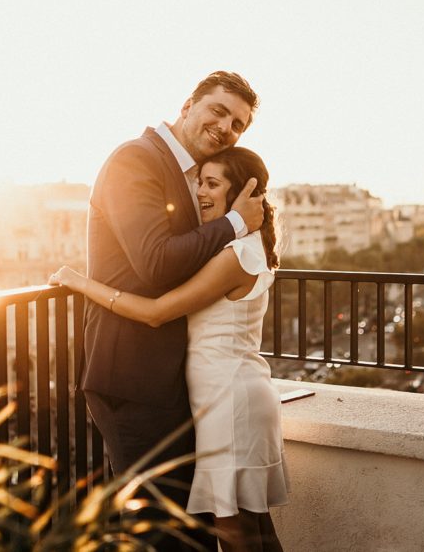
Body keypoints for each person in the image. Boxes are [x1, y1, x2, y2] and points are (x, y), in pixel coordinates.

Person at [51, 146, 287, 552]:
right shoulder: (246, 247)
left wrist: (82, 282)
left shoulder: (235, 255)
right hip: (233, 393)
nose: (200, 192)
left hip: (229, 399)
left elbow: (157, 312)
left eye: (213, 183)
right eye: (199, 181)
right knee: (252, 527)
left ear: (243, 192)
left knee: (233, 530)